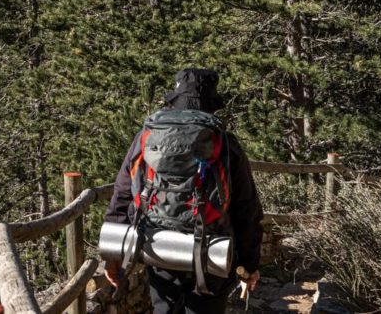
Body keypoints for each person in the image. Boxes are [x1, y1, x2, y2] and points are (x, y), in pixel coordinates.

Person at [104, 68, 263, 314]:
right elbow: (246, 208)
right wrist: (249, 264)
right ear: (211, 104)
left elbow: (124, 192)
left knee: (163, 308)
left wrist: (113, 253)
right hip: (212, 250)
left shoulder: (147, 137)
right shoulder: (225, 143)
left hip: (159, 246)